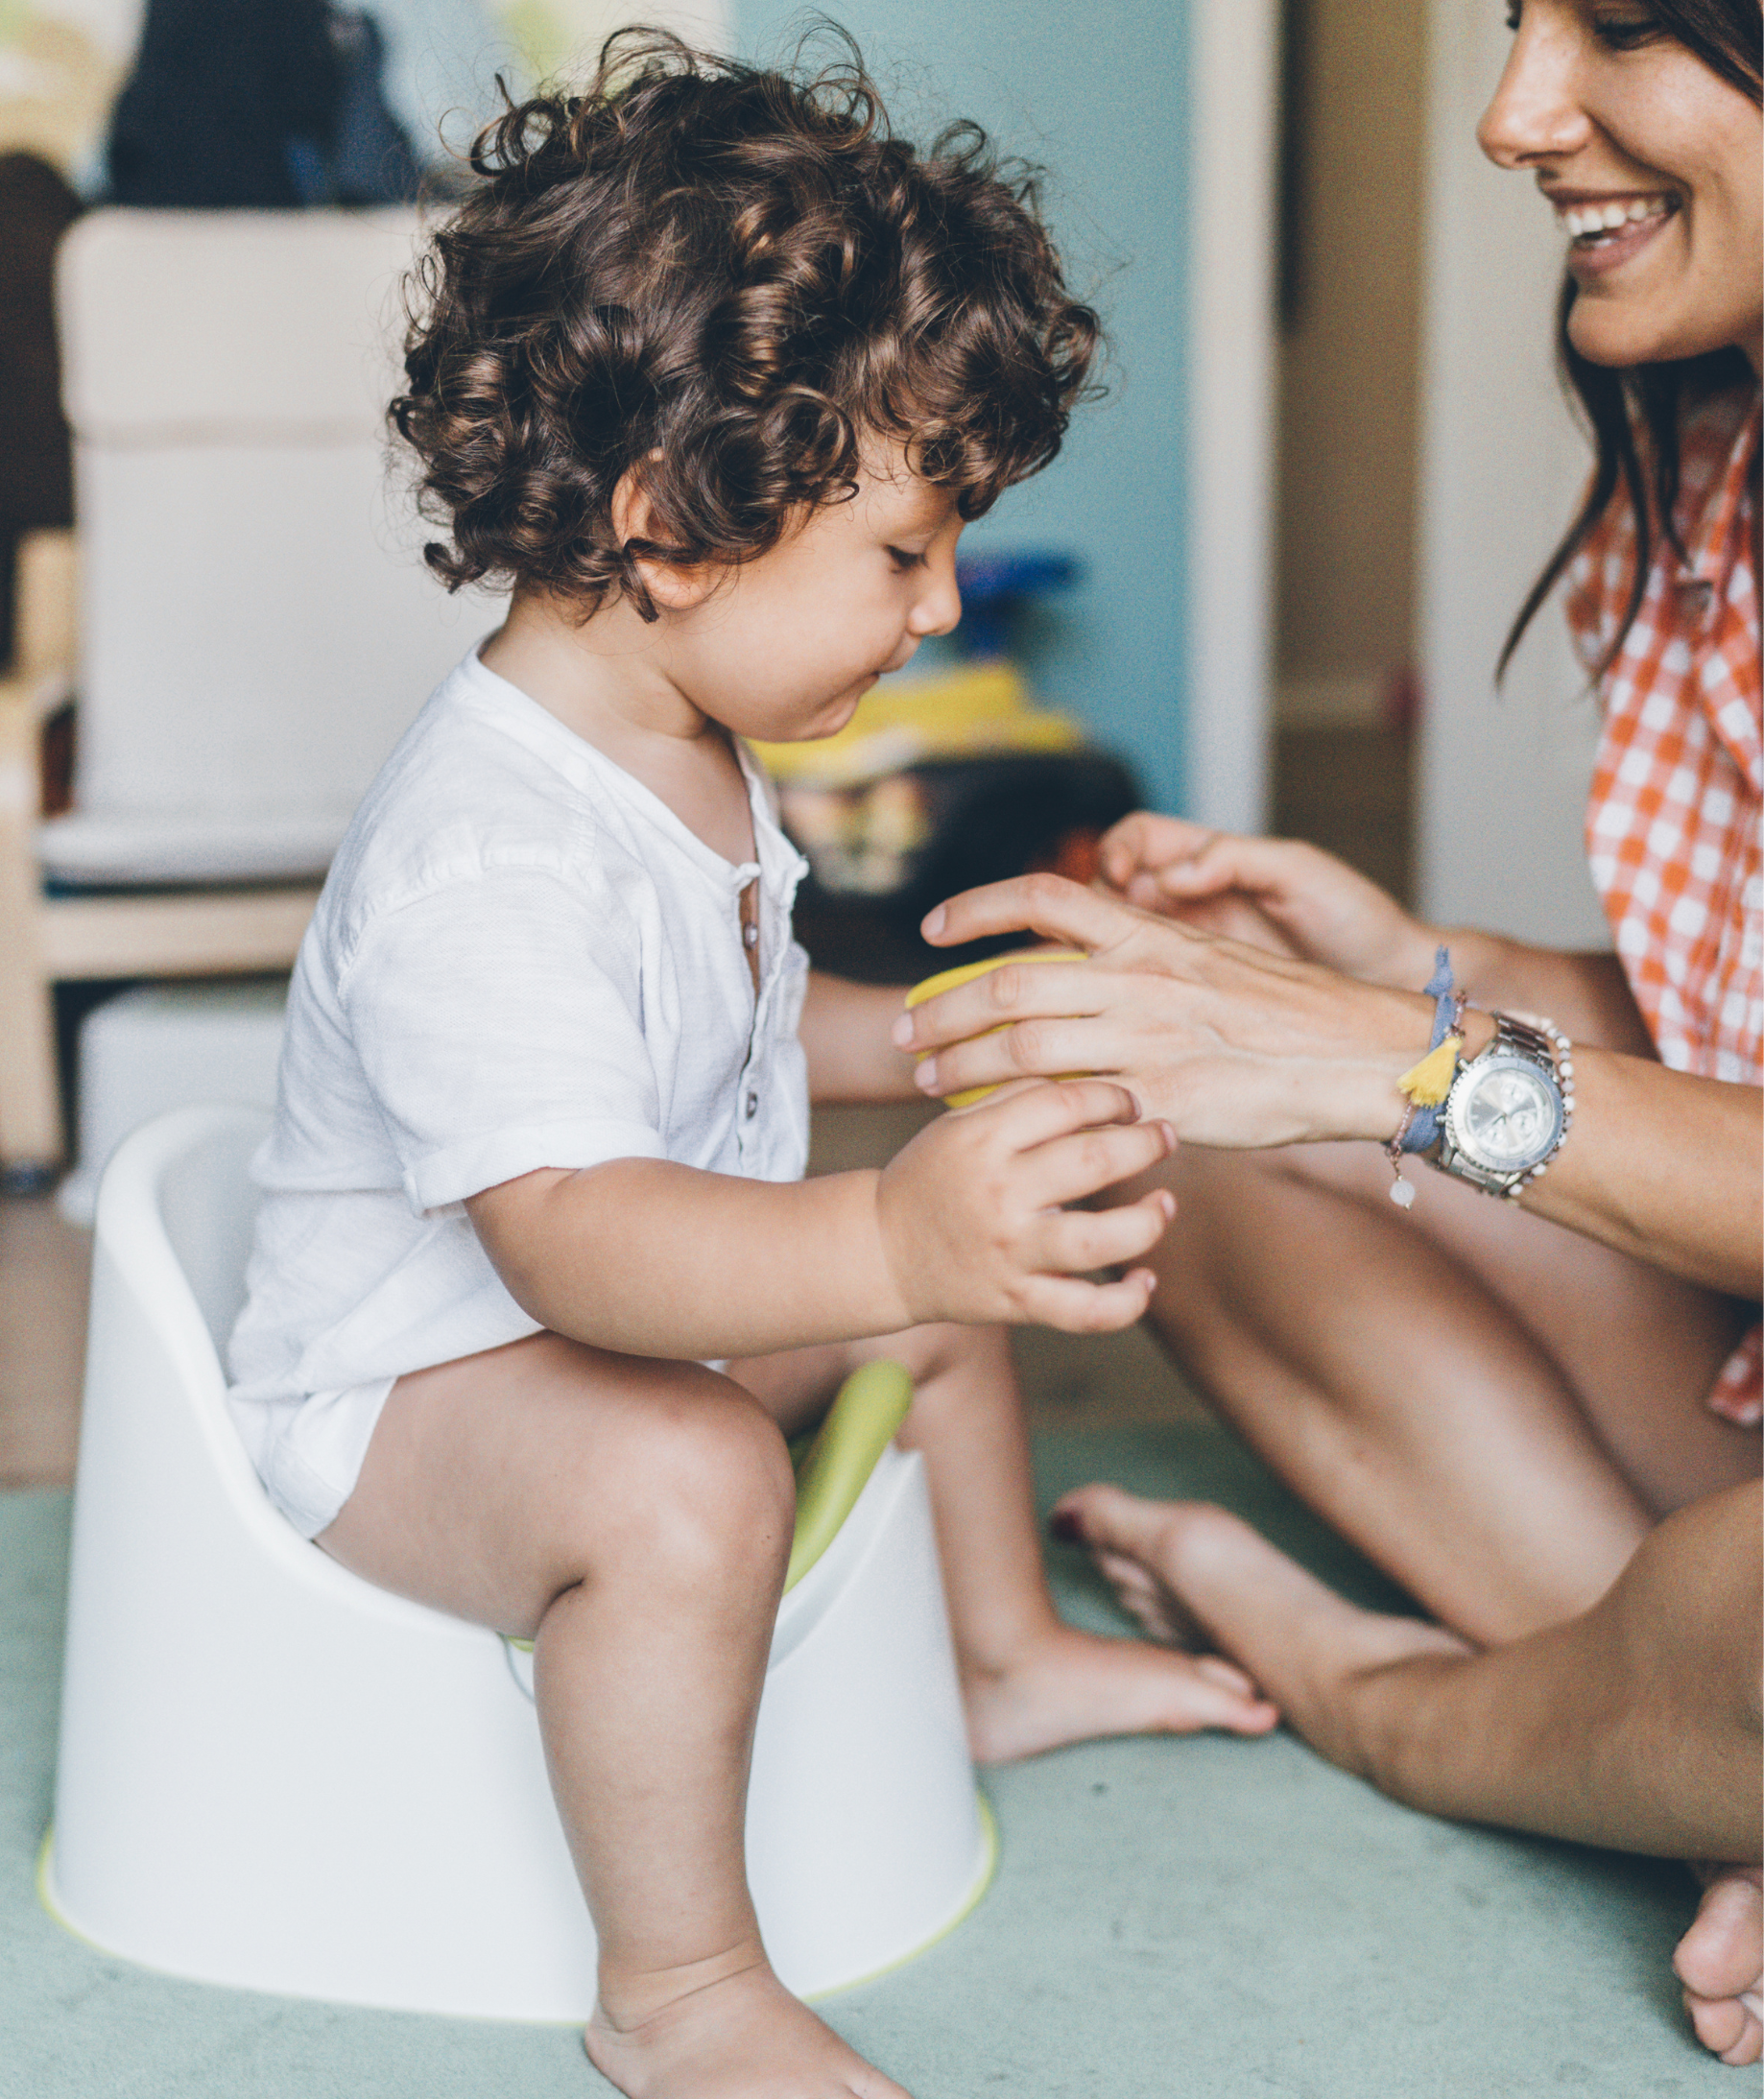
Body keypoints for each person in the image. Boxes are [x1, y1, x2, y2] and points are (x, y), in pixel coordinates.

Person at [226, 36, 1275, 2099]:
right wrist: (894, 1224)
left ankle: (996, 1656)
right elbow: (584, 1245)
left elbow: (733, 1021)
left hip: (566, 1324)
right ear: (671, 527)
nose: (942, 603)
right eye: (903, 556)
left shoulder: (683, 747)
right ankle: (682, 1989)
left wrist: (944, 1046)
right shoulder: (492, 846)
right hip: (400, 1392)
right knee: (699, 1470)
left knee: (934, 1325)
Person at [894, 0, 1763, 2068]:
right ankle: (1664, 1730)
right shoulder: (1712, 459)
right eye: (1513, 27)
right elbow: (1720, 1023)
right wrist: (1429, 972)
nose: (1510, 118)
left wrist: (1403, 1058)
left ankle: (1392, 1691)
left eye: (1617, 31)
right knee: (1148, 1131)